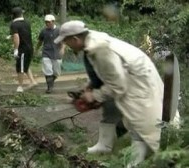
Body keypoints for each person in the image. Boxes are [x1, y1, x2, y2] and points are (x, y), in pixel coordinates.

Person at [54, 20, 165, 167]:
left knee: (140, 122)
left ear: (75, 39)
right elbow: (104, 71)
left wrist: (94, 96)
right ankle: (132, 158)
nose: (66, 45)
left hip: (139, 81)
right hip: (134, 77)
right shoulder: (91, 40)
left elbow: (118, 85)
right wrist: (89, 85)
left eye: (66, 41)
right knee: (136, 122)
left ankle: (136, 162)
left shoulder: (99, 48)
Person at [9, 7, 37, 93]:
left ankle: (20, 86)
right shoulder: (27, 22)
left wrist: (16, 49)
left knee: (20, 67)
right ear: (21, 14)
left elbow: (17, 37)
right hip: (29, 48)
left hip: (22, 49)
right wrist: (12, 36)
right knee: (25, 65)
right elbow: (23, 34)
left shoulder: (14, 24)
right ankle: (32, 82)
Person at [35, 14, 65, 93]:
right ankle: (49, 88)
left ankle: (51, 80)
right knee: (47, 70)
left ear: (53, 22)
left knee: (56, 72)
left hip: (56, 53)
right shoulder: (43, 31)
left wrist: (62, 49)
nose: (47, 24)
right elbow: (40, 41)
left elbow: (63, 41)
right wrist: (36, 50)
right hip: (46, 52)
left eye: (48, 22)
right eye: (46, 22)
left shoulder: (58, 30)